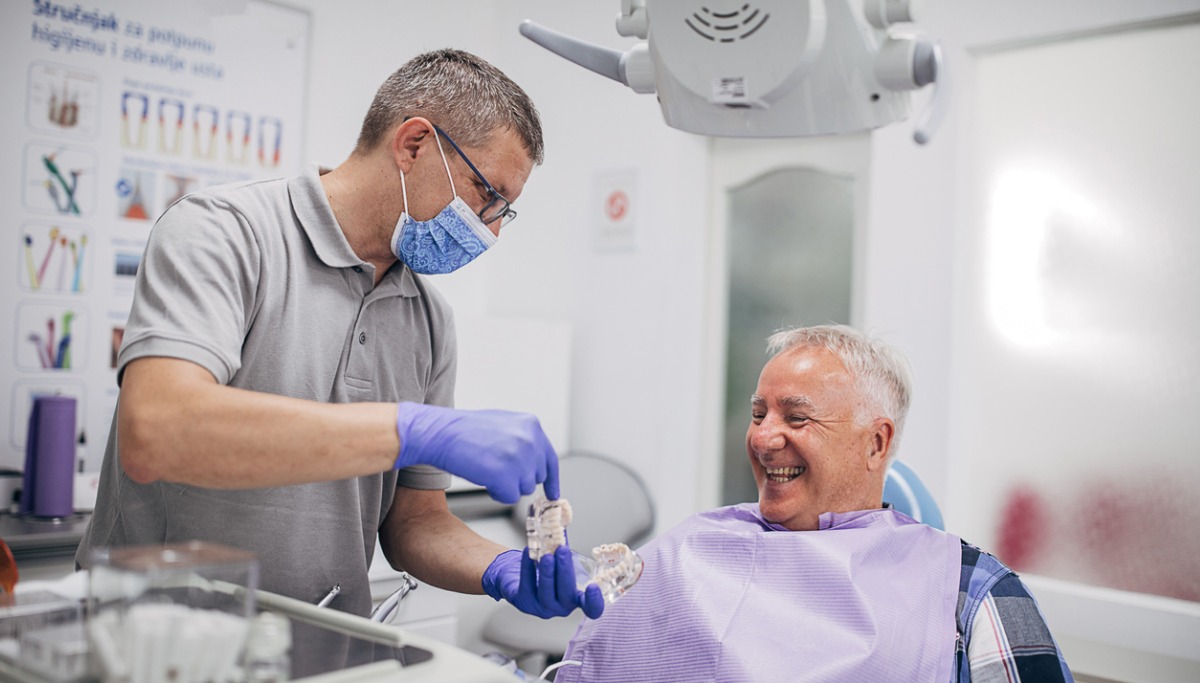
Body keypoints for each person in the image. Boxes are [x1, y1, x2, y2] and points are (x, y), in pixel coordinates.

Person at [75, 49, 603, 622]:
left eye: (506, 211)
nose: (492, 229)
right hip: (160, 644)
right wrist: (407, 429)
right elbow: (157, 432)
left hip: (324, 651)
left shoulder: (428, 318)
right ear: (413, 144)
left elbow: (414, 522)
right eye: (487, 195)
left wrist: (500, 568)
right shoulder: (223, 233)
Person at [556, 325, 1073, 682]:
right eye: (759, 415)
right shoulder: (691, 546)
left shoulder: (968, 591)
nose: (762, 439)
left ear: (876, 443)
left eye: (796, 419)